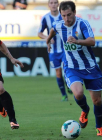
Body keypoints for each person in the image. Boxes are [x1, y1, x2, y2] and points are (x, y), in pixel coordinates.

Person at [46, 1, 102, 136]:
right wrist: (48, 41)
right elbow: (53, 30)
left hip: (90, 67)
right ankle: (85, 110)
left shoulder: (82, 24)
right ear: (61, 15)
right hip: (71, 67)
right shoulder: (59, 25)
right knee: (78, 93)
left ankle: (99, 126)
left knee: (97, 100)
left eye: (69, 15)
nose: (66, 19)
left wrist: (77, 41)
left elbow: (92, 41)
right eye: (63, 15)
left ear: (74, 13)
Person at [38, 0, 72, 101]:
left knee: (67, 69)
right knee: (58, 72)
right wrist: (47, 38)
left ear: (58, 4)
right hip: (53, 50)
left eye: (55, 3)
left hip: (65, 49)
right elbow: (39, 33)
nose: (53, 5)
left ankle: (69, 84)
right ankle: (64, 95)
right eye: (51, 3)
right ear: (48, 5)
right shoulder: (46, 18)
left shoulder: (63, 16)